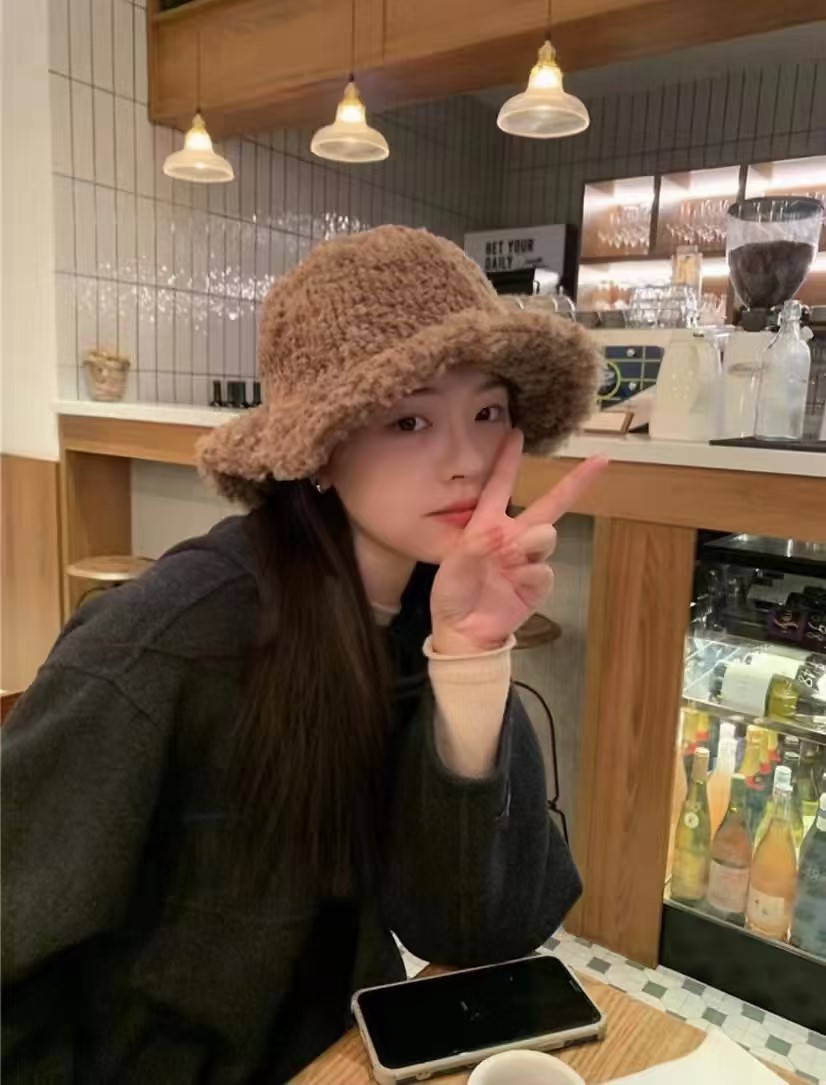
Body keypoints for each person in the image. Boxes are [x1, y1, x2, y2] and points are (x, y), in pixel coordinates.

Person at [2, 225, 602, 1084]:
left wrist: (470, 657)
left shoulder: (424, 614)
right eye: (409, 418)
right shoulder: (165, 644)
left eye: (488, 412)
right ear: (318, 451)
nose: (467, 460)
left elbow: (475, 931)